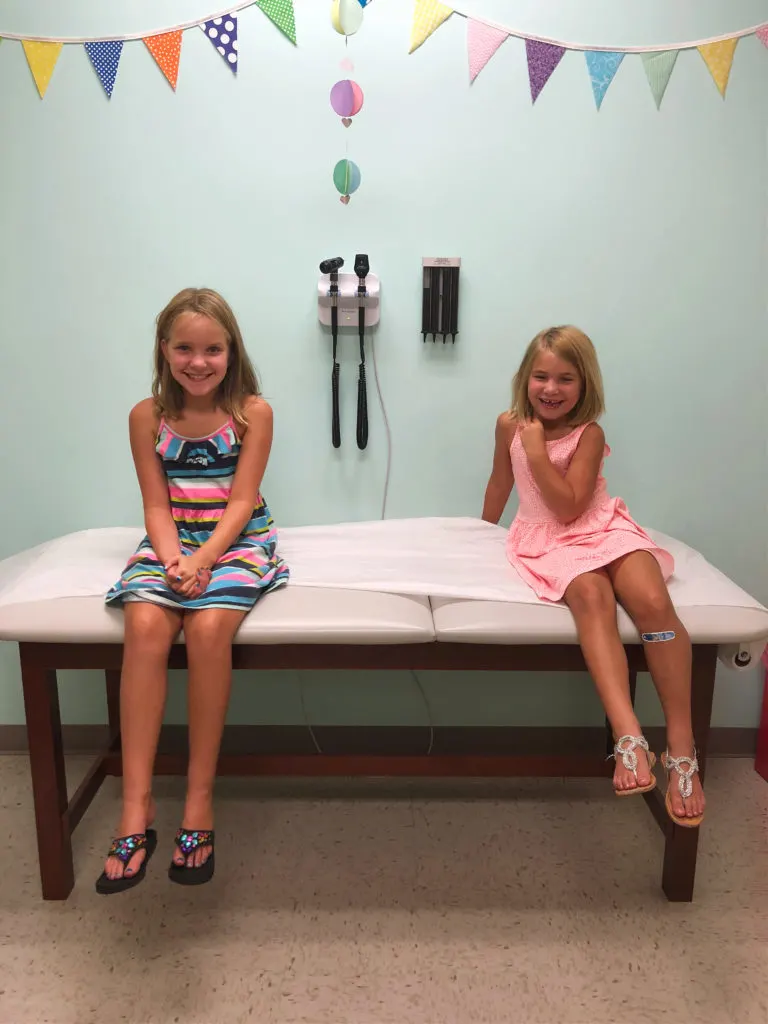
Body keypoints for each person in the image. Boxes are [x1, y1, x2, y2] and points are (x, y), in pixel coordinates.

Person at [96, 287, 289, 894]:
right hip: (171, 542)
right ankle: (137, 806)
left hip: (234, 543)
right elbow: (156, 502)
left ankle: (198, 803)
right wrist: (175, 558)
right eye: (185, 347)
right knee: (147, 626)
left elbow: (239, 501)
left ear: (231, 352)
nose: (198, 361)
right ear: (164, 349)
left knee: (207, 629)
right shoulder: (146, 417)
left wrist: (205, 560)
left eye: (212, 349)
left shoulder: (253, 413)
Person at [481, 325, 705, 828]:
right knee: (590, 596)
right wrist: (478, 535)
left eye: (565, 378)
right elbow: (501, 480)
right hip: (546, 538)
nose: (551, 389)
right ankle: (629, 735)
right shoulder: (508, 424)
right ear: (525, 377)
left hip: (599, 525)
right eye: (541, 376)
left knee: (652, 602)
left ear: (585, 385)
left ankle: (682, 744)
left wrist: (538, 453)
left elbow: (572, 506)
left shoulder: (590, 433)